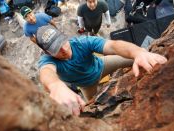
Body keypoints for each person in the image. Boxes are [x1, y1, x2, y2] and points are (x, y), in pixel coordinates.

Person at [37, 25, 167, 116]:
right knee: (93, 108)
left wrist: (138, 52)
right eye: (56, 49)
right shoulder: (47, 60)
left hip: (102, 66)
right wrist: (55, 86)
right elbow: (46, 71)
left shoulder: (82, 42)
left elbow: (113, 46)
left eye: (62, 42)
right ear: (47, 52)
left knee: (137, 57)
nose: (64, 50)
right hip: (87, 86)